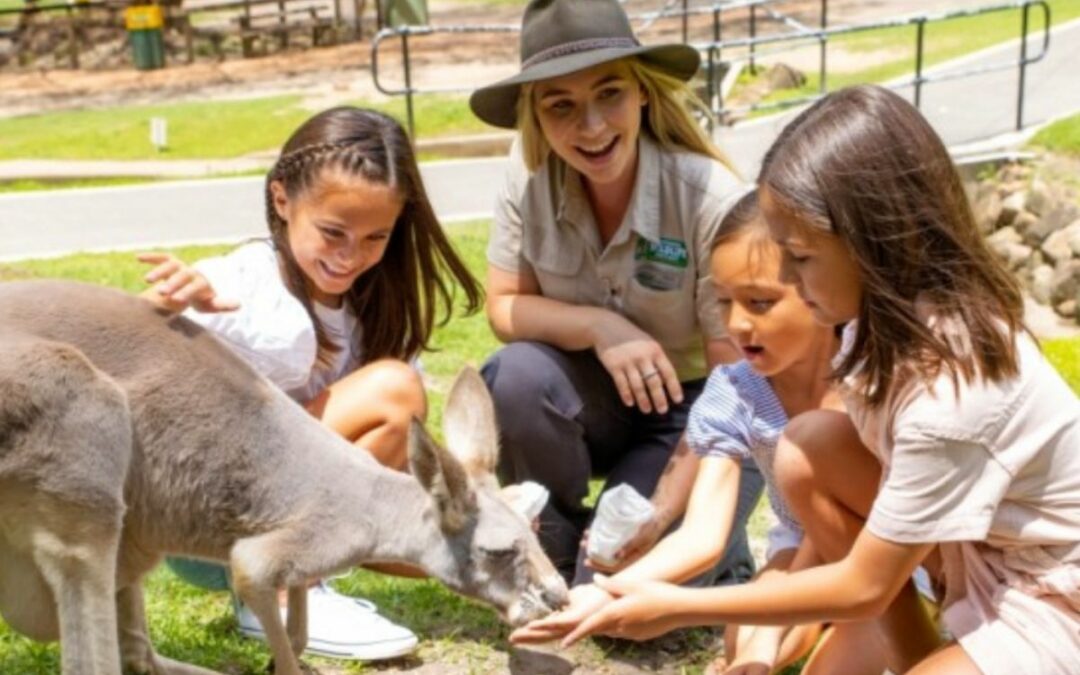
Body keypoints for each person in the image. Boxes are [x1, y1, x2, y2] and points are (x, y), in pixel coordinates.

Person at [546, 84, 1080, 675]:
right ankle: (920, 658)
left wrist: (679, 606)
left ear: (872, 240)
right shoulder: (868, 328)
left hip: (1052, 594)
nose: (793, 283)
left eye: (800, 259)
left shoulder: (951, 389)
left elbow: (863, 587)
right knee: (806, 446)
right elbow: (798, 535)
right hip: (963, 559)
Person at [138, 106, 482, 661]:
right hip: (204, 521)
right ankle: (276, 592)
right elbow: (126, 358)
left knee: (444, 531)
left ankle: (301, 579)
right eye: (332, 232)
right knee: (394, 392)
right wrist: (167, 307)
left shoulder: (373, 311)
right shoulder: (242, 280)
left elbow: (385, 483)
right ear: (282, 200)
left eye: (376, 237)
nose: (351, 256)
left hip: (267, 513)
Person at [513, 190, 890, 674]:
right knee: (741, 643)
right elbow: (702, 535)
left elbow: (834, 529)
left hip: (887, 553)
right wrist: (600, 593)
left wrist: (767, 640)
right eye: (724, 302)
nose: (737, 324)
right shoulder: (736, 390)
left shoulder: (865, 376)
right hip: (800, 544)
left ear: (817, 290)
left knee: (808, 650)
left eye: (760, 302)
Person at [469, 0, 762, 590]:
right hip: (591, 401)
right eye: (561, 106)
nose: (593, 127)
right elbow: (503, 305)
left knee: (624, 597)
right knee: (514, 377)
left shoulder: (710, 196)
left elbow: (736, 387)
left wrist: (661, 514)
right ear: (536, 118)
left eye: (610, 94)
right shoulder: (526, 177)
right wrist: (602, 328)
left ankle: (712, 550)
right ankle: (553, 543)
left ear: (643, 93)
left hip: (698, 412)